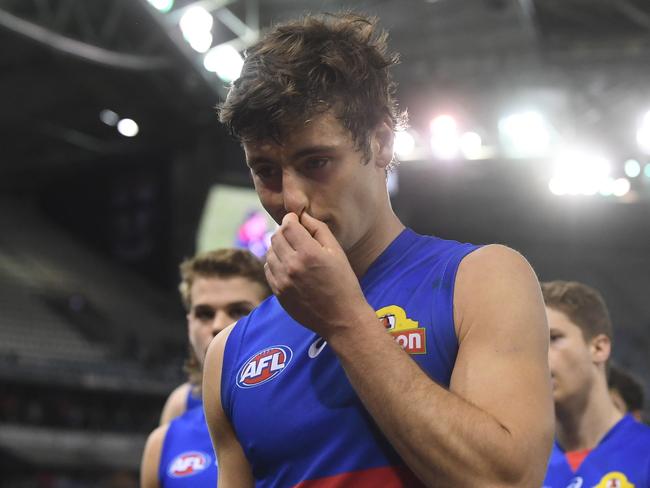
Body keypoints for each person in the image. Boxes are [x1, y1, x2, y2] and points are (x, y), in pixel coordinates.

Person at [203, 12, 554, 487]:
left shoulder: (482, 280)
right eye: (265, 170)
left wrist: (345, 321)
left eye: (316, 161)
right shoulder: (230, 353)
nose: (290, 200)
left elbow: (505, 481)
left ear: (382, 142)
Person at [140, 248, 271, 488]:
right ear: (189, 322)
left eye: (239, 311)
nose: (218, 325)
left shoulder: (307, 398)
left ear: (272, 315)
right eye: (205, 314)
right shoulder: (176, 418)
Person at [542, 280, 650, 486]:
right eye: (532, 344)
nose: (538, 355)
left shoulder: (645, 453)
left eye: (553, 338)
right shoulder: (523, 466)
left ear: (599, 349)